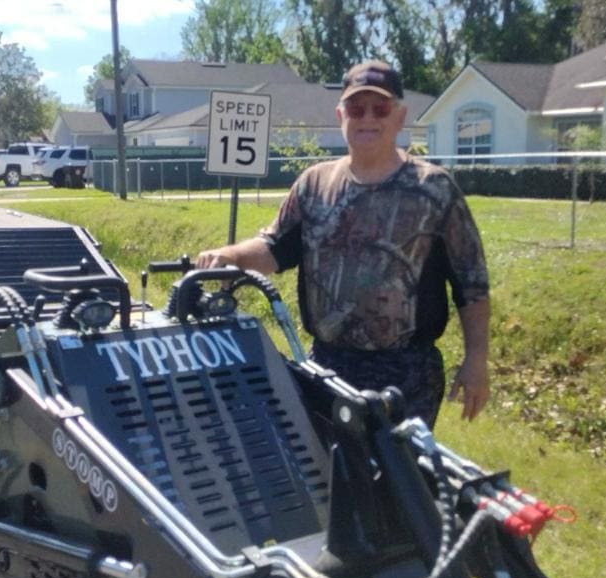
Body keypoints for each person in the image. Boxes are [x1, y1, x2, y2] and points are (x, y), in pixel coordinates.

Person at [196, 60, 491, 427]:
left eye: (380, 108)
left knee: (395, 465)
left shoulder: (435, 189)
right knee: (321, 460)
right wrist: (230, 257)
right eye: (356, 108)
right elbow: (274, 248)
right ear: (340, 116)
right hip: (328, 365)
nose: (367, 118)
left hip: (406, 374)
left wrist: (476, 360)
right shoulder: (314, 185)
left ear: (400, 117)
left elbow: (471, 284)